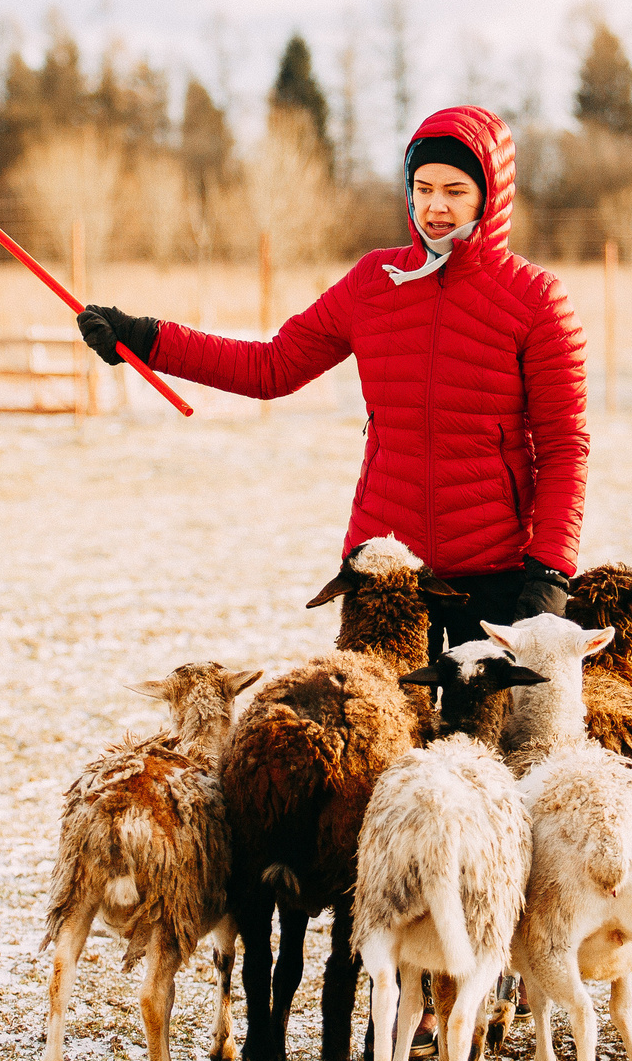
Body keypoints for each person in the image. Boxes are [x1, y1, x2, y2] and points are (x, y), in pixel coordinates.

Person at [78, 104, 589, 652]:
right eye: (423, 187)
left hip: (495, 577)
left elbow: (565, 446)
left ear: (491, 194)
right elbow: (271, 367)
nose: (436, 206)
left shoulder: (535, 300)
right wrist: (147, 339)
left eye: (456, 190)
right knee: (376, 731)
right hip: (384, 571)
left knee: (480, 738)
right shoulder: (375, 281)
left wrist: (549, 576)